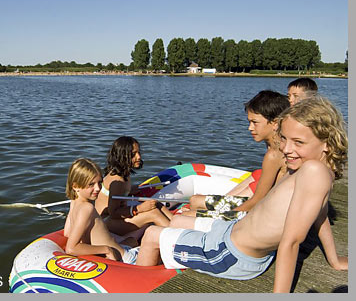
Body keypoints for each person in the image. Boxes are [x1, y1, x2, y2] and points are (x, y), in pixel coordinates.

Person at [136, 96, 348, 292]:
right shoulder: (314, 168)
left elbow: (291, 242)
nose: (286, 149)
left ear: (327, 144)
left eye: (298, 142)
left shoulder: (313, 172)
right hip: (231, 232)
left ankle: (137, 285)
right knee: (177, 221)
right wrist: (334, 259)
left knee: (151, 235)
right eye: (283, 138)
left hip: (229, 254)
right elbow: (322, 214)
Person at [183, 90, 290, 227]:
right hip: (265, 205)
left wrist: (225, 215)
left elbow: (257, 200)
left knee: (186, 216)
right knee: (195, 200)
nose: (249, 128)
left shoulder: (275, 154)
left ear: (275, 123)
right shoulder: (276, 144)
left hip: (265, 212)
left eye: (254, 122)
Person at [63, 158, 139, 264]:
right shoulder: (87, 208)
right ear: (75, 186)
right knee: (150, 233)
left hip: (119, 248)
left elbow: (67, 233)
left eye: (99, 183)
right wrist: (106, 249)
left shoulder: (74, 202)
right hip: (125, 258)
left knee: (133, 240)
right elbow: (70, 249)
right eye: (91, 184)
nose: (98, 188)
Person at [95, 136, 173, 237]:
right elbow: (113, 212)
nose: (139, 157)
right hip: (106, 222)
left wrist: (130, 190)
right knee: (153, 213)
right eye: (133, 154)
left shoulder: (124, 174)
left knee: (155, 203)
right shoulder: (117, 181)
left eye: (138, 152)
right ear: (122, 156)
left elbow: (118, 195)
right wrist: (139, 208)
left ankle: (175, 223)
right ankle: (176, 238)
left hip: (113, 218)